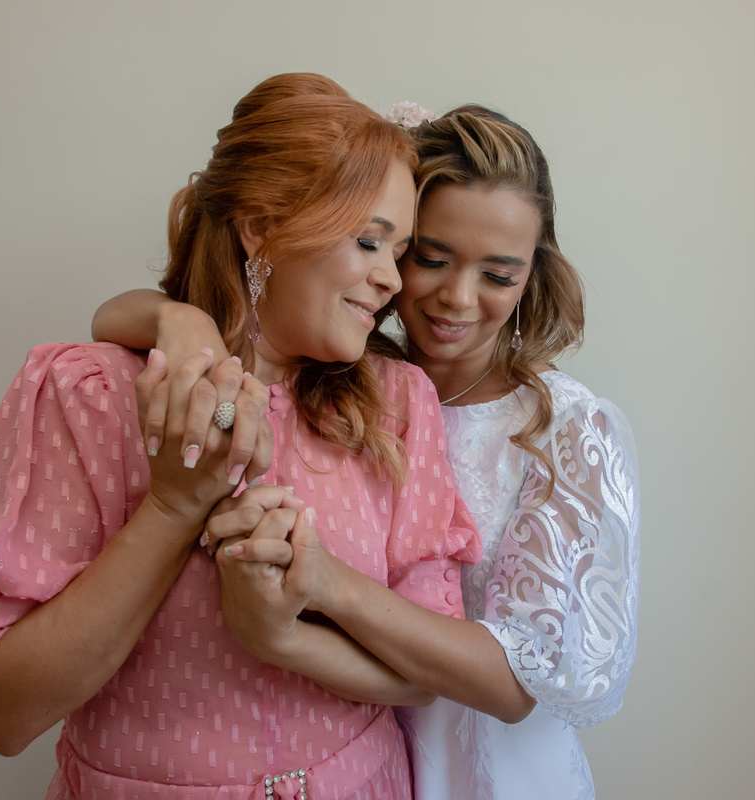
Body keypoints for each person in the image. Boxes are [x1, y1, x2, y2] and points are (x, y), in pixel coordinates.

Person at [0, 73, 480, 800]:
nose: (392, 281)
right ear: (260, 227)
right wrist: (171, 507)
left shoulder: (396, 405)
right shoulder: (90, 396)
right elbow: (3, 717)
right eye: (368, 242)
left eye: (400, 251)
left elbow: (432, 671)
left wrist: (289, 626)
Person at [94, 104, 640, 800]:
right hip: (361, 757)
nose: (457, 297)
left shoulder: (565, 428)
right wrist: (181, 319)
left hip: (489, 776)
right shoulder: (349, 382)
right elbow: (110, 320)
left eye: (499, 276)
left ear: (535, 274)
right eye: (430, 258)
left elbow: (517, 685)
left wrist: (317, 595)